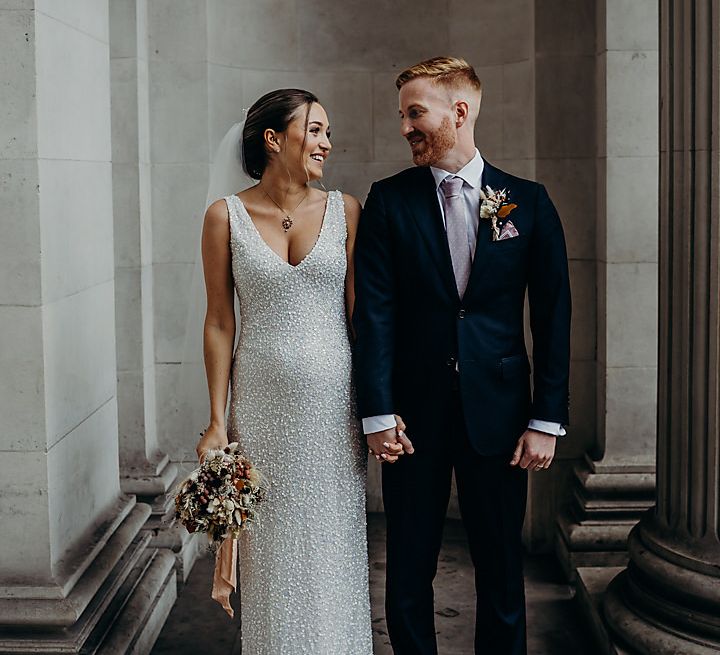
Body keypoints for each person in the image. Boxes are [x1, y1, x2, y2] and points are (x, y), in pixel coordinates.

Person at [353, 57, 571, 655]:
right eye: (402, 115)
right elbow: (374, 315)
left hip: (501, 419)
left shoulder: (526, 202)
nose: (405, 127)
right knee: (407, 571)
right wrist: (377, 410)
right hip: (411, 422)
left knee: (501, 571)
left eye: (415, 113)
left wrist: (545, 420)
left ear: (461, 111)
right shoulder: (388, 202)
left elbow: (553, 320)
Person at [195, 88, 404, 654]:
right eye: (314, 130)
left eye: (327, 132)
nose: (326, 143)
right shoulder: (225, 217)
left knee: (331, 544)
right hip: (260, 409)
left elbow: (365, 319)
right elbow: (219, 322)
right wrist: (217, 421)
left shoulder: (347, 210)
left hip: (333, 410)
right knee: (272, 553)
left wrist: (385, 401)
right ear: (273, 139)